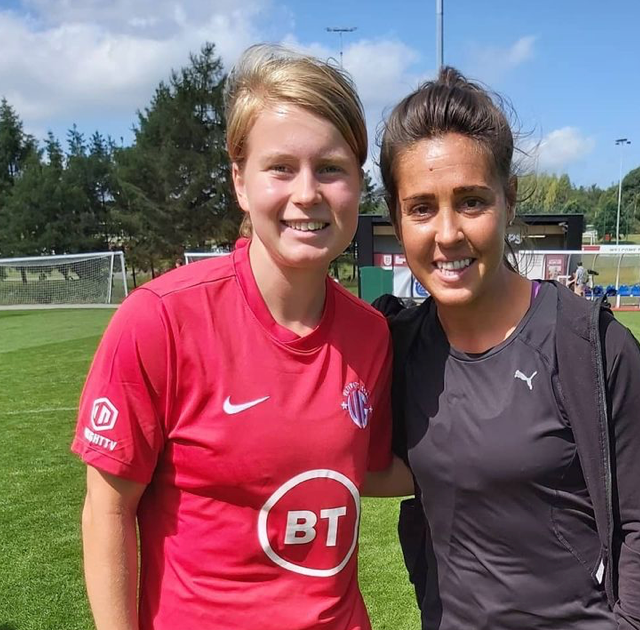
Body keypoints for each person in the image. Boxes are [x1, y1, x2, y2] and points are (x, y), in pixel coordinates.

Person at [73, 44, 398, 630]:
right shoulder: (160, 320)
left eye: (331, 168)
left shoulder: (371, 335)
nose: (307, 193)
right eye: (281, 167)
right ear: (240, 184)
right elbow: (106, 511)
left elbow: (370, 470)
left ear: (356, 184)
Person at [374, 68, 640, 629]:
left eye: (471, 201)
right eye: (421, 207)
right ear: (397, 220)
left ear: (509, 199)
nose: (447, 233)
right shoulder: (397, 349)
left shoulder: (589, 346)